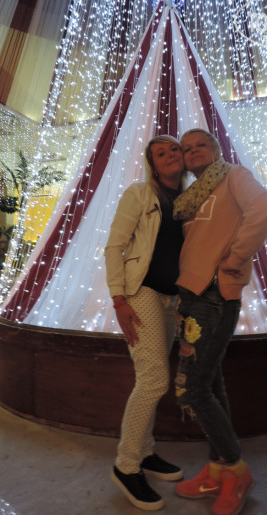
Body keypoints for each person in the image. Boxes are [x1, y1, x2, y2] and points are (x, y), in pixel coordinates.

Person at [172, 129, 267, 515]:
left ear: (216, 150)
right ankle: (217, 470)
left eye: (201, 144)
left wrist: (235, 258)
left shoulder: (234, 176)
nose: (193, 151)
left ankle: (237, 470)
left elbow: (263, 208)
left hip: (215, 296)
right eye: (187, 148)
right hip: (192, 295)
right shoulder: (193, 195)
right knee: (211, 384)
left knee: (194, 389)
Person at [105, 134, 186, 511]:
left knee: (152, 378)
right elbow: (114, 246)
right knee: (154, 379)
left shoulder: (190, 199)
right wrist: (118, 299)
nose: (170, 155)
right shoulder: (139, 194)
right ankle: (126, 465)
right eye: (161, 153)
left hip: (173, 298)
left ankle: (146, 452)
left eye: (174, 149)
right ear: (152, 164)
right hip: (142, 293)